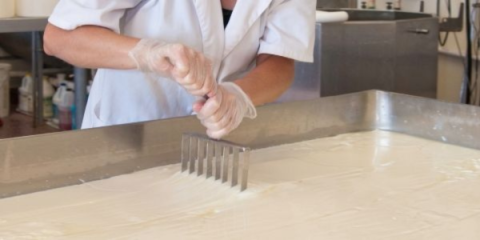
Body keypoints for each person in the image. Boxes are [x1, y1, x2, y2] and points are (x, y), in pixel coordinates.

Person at [44, 0, 316, 139]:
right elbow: (59, 37)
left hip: (216, 142)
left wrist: (238, 97)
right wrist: (146, 53)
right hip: (126, 135)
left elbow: (280, 62)